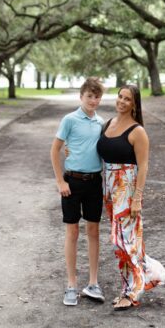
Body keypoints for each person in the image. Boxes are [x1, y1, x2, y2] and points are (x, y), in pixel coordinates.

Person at [97, 83, 165, 310]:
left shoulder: (138, 131)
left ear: (135, 104)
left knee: (122, 242)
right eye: (120, 97)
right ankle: (144, 277)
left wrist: (137, 197)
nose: (121, 101)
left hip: (127, 189)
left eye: (127, 99)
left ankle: (132, 291)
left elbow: (144, 165)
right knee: (125, 241)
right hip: (109, 189)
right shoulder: (108, 124)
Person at [51, 76, 106, 306]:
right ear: (81, 97)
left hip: (94, 182)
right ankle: (71, 285)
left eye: (97, 97)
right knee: (72, 232)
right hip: (72, 183)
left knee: (93, 231)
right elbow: (55, 151)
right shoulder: (70, 119)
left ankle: (93, 282)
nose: (93, 100)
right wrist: (60, 183)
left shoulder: (101, 123)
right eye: (89, 96)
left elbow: (103, 152)